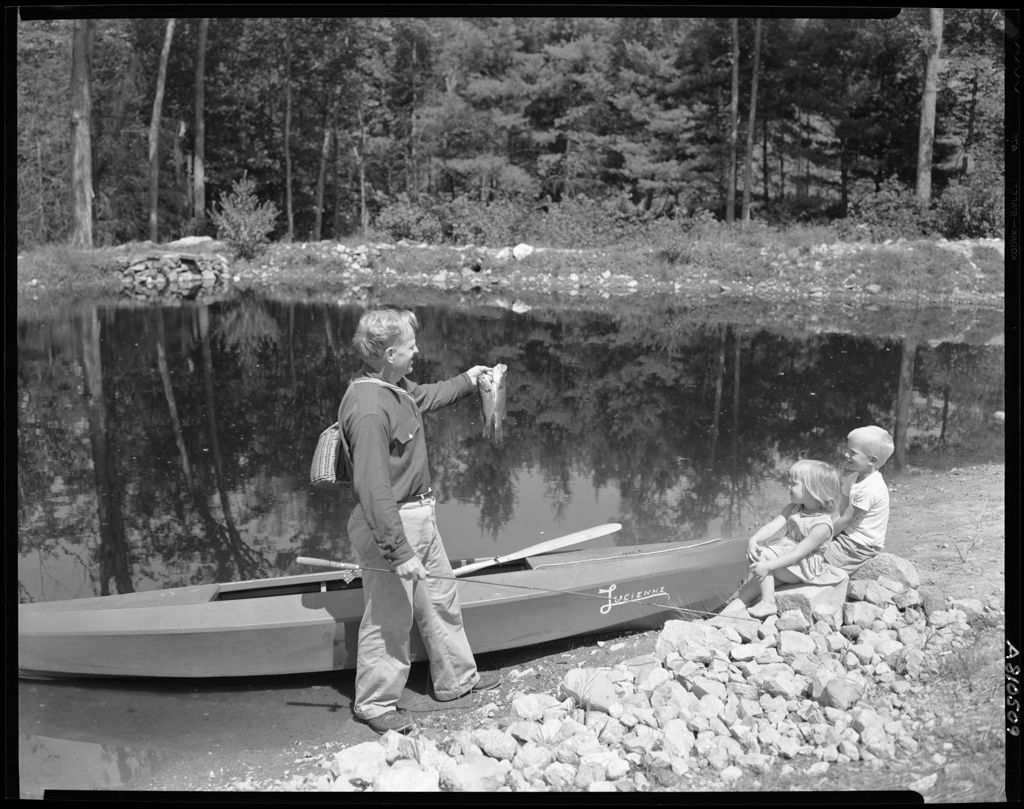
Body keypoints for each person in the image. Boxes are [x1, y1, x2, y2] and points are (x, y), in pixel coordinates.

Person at [338, 308, 500, 735]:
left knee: (441, 598)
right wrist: (398, 551)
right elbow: (373, 490)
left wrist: (469, 380)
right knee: (388, 617)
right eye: (411, 346)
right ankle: (375, 703)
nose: (417, 352)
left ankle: (457, 681)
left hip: (419, 514)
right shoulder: (370, 408)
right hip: (394, 524)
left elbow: (425, 396)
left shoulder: (392, 385)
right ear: (390, 353)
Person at [723, 459, 847, 618]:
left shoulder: (822, 525)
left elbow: (798, 553)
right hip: (786, 561)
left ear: (812, 490)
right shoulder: (793, 508)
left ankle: (768, 602)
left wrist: (768, 566)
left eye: (794, 484)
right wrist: (753, 540)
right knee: (748, 590)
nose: (788, 487)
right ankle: (716, 621)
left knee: (762, 556)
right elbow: (772, 527)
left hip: (802, 568)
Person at [821, 425, 894, 573]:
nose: (846, 454)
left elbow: (847, 519)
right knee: (808, 534)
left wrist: (822, 537)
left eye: (852, 452)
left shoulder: (870, 488)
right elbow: (840, 512)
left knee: (813, 556)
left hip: (859, 546)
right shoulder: (852, 478)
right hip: (846, 535)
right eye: (847, 450)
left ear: (872, 460)